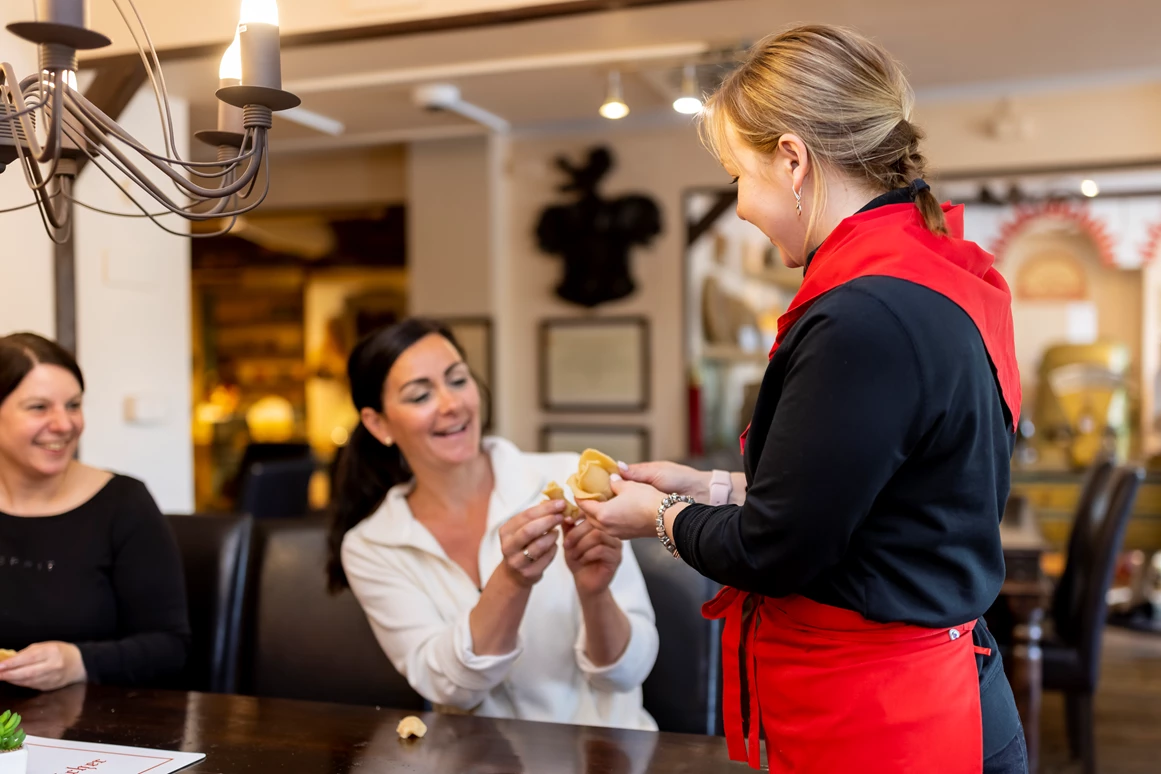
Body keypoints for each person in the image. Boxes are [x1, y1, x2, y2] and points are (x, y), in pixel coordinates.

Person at [579, 25, 1027, 774]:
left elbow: (775, 550)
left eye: (737, 176)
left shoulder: (865, 315)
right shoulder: (930, 280)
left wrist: (657, 516)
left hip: (888, 715)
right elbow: (869, 502)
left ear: (792, 160)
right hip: (933, 684)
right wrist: (708, 487)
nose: (739, 206)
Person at [328, 318, 658, 730]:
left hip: (608, 751)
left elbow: (628, 673)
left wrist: (595, 594)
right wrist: (512, 580)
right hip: (480, 756)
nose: (451, 404)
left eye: (457, 380)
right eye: (420, 395)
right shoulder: (372, 545)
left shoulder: (573, 479)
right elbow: (450, 689)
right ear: (378, 423)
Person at [0, 333, 189, 691]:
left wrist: (79, 662)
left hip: (92, 720)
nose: (64, 424)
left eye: (73, 405)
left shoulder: (124, 503)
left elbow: (170, 647)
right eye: (39, 407)